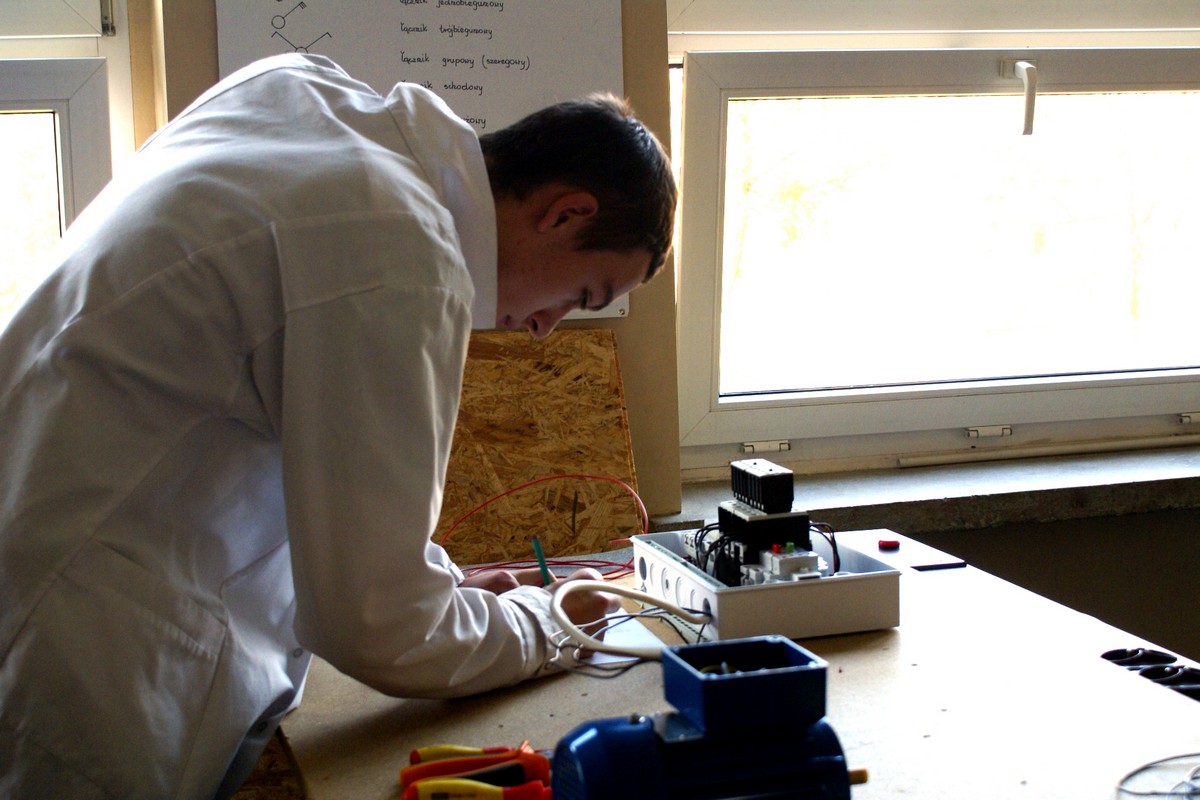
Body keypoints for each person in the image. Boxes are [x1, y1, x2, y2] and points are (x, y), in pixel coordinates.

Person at [0, 53, 676, 799]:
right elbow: (376, 625)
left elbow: (294, 445)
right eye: (584, 293)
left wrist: (444, 587)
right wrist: (544, 624)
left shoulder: (297, 92)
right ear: (566, 212)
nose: (548, 328)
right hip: (78, 658)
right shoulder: (399, 252)